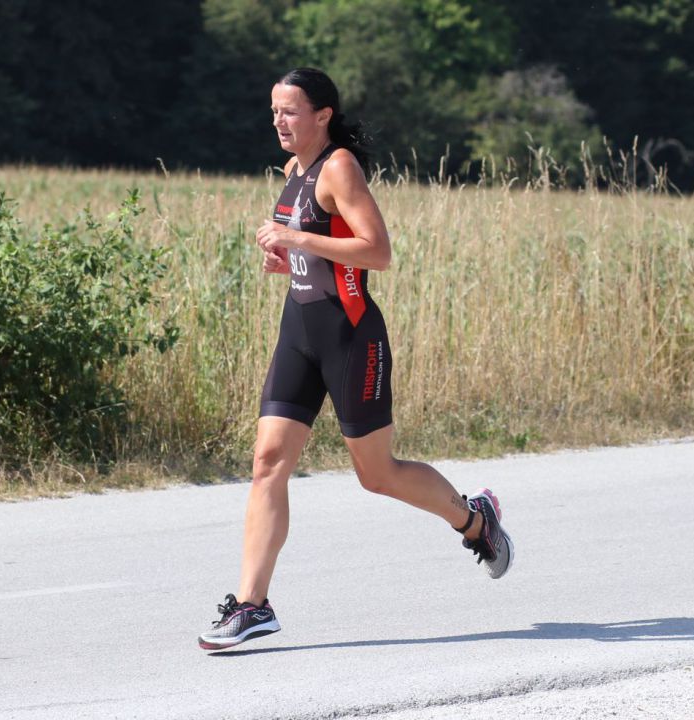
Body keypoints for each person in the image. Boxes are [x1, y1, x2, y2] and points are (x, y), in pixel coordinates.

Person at [197, 68, 513, 651]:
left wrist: (297, 241)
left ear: (322, 115)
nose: (279, 122)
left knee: (377, 474)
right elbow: (315, 253)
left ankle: (475, 521)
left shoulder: (339, 166)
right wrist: (287, 259)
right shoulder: (293, 172)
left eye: (290, 111)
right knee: (268, 460)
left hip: (350, 335)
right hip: (299, 329)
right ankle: (252, 604)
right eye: (274, 111)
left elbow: (378, 251)